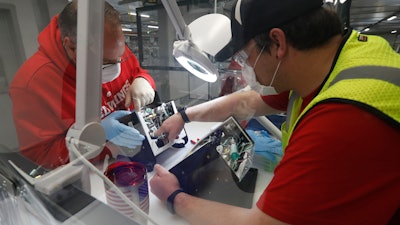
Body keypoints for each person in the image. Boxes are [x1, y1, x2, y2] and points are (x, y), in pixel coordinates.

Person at [149, 0, 400, 224]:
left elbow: (261, 223)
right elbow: (248, 101)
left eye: (247, 57)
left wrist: (174, 197)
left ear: (277, 42)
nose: (246, 68)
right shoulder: (341, 58)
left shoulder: (340, 119)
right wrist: (183, 116)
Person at [9, 1, 156, 169]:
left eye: (120, 57)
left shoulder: (110, 47)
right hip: (90, 177)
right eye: (106, 62)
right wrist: (94, 137)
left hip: (133, 158)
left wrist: (144, 80)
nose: (117, 67)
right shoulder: (32, 84)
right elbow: (42, 160)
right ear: (71, 47)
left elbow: (138, 71)